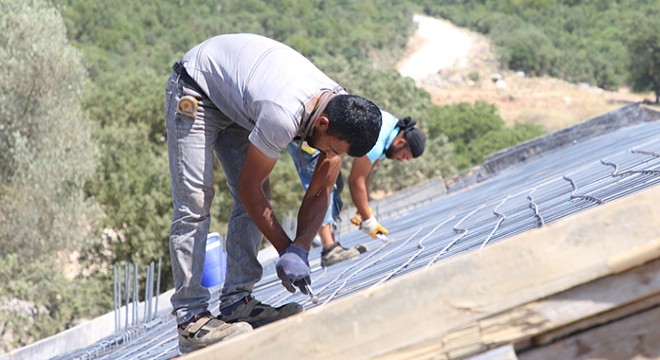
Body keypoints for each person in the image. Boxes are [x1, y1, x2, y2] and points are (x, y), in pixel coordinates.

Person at [165, 33, 382, 354]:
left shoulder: (340, 112)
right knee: (195, 202)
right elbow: (248, 189)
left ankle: (237, 302)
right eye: (333, 149)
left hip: (241, 99)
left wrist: (302, 249)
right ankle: (191, 318)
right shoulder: (283, 114)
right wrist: (285, 249)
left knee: (254, 195)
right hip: (197, 88)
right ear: (322, 123)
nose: (333, 155)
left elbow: (320, 189)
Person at [287, 111, 426, 267]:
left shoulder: (389, 134)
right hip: (311, 136)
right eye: (405, 156)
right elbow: (356, 181)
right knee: (324, 186)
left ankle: (333, 246)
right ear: (400, 143)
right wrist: (369, 220)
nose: (401, 160)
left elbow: (366, 175)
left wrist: (364, 210)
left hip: (325, 139)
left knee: (335, 185)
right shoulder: (379, 138)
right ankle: (329, 249)